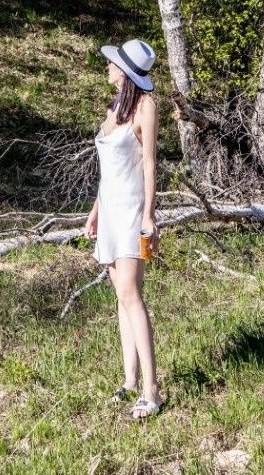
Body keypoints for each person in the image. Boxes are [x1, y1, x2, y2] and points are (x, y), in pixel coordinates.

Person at [84, 38, 164, 420]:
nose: (108, 66)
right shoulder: (114, 107)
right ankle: (130, 380)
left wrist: (149, 216)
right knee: (121, 296)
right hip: (111, 212)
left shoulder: (146, 107)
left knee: (132, 295)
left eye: (113, 62)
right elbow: (108, 173)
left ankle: (152, 390)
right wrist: (95, 212)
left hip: (132, 210)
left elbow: (149, 164)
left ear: (126, 72)